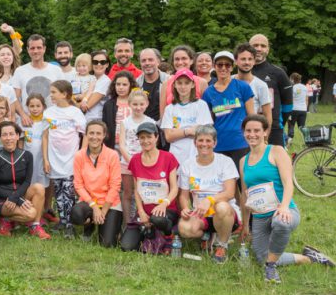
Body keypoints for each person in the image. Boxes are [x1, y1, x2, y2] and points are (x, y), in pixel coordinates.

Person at [239, 115, 333, 283]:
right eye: (248, 131)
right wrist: (246, 224)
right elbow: (245, 194)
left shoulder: (276, 151)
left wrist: (283, 207)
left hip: (284, 211)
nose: (252, 134)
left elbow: (288, 183)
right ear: (243, 133)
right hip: (260, 216)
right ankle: (310, 257)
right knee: (261, 257)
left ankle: (271, 269)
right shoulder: (243, 161)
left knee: (280, 222)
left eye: (257, 131)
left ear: (265, 132)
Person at [177, 125, 241, 264]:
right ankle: (208, 235)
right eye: (200, 140)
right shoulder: (187, 165)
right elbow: (183, 195)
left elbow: (230, 193)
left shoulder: (225, 161)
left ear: (215, 143)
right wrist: (185, 208)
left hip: (224, 213)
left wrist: (209, 200)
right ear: (195, 143)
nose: (204, 144)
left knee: (222, 207)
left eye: (208, 140)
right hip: (201, 214)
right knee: (184, 228)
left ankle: (221, 246)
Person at [120, 122, 180, 252]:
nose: (145, 140)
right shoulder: (135, 160)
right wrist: (140, 211)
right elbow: (137, 191)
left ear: (156, 137)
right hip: (145, 210)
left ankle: (169, 234)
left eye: (149, 137)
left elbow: (175, 188)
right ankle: (148, 233)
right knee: (126, 247)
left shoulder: (168, 157)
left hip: (166, 210)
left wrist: (164, 204)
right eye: (142, 137)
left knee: (156, 218)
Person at [0, 121, 51, 239]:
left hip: (19, 195)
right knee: (31, 213)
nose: (8, 138)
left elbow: (27, 182)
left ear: (17, 136)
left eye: (11, 134)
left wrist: (16, 198)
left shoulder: (27, 156)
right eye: (4, 135)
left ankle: (35, 226)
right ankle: (3, 219)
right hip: (2, 199)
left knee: (39, 187)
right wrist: (16, 200)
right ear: (0, 137)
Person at [42, 80, 87, 238]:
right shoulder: (48, 113)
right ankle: (62, 220)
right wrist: (46, 159)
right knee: (58, 191)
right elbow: (45, 136)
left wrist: (82, 153)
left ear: (65, 94)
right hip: (54, 159)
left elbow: (85, 133)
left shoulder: (75, 113)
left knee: (68, 192)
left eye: (54, 92)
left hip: (71, 159)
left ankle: (70, 224)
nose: (51, 95)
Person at [70, 120, 123, 247]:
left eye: (98, 133)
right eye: (91, 133)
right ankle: (90, 225)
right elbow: (78, 184)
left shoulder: (112, 155)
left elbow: (115, 185)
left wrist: (103, 211)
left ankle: (109, 225)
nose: (94, 137)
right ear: (86, 135)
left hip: (109, 203)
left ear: (104, 135)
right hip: (89, 202)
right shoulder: (79, 156)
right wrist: (94, 206)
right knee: (76, 215)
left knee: (107, 244)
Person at [201, 51, 255, 169]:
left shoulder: (243, 87)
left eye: (227, 65)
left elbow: (252, 117)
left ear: (232, 66)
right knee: (224, 183)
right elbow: (208, 122)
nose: (223, 68)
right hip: (219, 143)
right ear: (214, 66)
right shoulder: (208, 93)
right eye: (220, 65)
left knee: (243, 181)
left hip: (241, 142)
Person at [102, 71, 137, 222]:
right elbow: (106, 126)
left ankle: (132, 218)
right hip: (114, 147)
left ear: (131, 86)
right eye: (118, 84)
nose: (121, 87)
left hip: (134, 148)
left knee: (132, 187)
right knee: (117, 184)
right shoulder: (109, 104)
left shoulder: (136, 102)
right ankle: (116, 218)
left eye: (124, 84)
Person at [160, 69, 213, 165]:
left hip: (198, 156)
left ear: (192, 84)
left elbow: (205, 133)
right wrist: (187, 131)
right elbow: (168, 136)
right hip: (176, 158)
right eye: (179, 83)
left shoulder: (201, 105)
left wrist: (176, 132)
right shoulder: (170, 108)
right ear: (174, 85)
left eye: (186, 83)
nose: (183, 86)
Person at [250, 34, 293, 146]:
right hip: (247, 129)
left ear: (267, 50)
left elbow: (288, 105)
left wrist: (276, 121)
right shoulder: (240, 74)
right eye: (255, 45)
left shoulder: (278, 73)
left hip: (273, 129)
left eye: (263, 46)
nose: (259, 49)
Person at [12, 34, 63, 124]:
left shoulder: (56, 70)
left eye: (39, 47)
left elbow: (63, 96)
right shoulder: (20, 71)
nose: (35, 51)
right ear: (28, 50)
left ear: (44, 49)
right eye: (32, 48)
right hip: (29, 122)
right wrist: (23, 115)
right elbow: (14, 98)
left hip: (52, 121)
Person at [159, 45, 209, 117]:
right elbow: (163, 115)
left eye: (184, 58)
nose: (180, 62)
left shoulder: (201, 83)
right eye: (177, 59)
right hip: (172, 126)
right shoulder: (166, 83)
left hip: (196, 126)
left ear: (191, 61)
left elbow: (206, 112)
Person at [234, 43, 272, 133]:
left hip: (251, 133)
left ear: (254, 61)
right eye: (243, 59)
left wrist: (265, 136)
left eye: (250, 59)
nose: (247, 62)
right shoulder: (228, 81)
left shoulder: (261, 85)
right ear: (235, 61)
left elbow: (268, 115)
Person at [136, 48, 168, 121]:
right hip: (142, 127)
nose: (147, 63)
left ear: (158, 61)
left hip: (164, 126)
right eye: (143, 60)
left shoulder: (168, 81)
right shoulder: (135, 84)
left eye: (150, 60)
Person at [80, 50, 111, 121]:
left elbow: (87, 106)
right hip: (84, 119)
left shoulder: (105, 81)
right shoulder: (89, 78)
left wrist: (70, 103)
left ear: (107, 64)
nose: (99, 64)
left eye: (102, 62)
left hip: (96, 121)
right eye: (95, 62)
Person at [288, 73, 308, 142]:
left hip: (294, 109)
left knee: (291, 125)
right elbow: (306, 99)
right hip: (303, 109)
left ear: (293, 80)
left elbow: (291, 100)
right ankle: (307, 140)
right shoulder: (305, 87)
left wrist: (289, 111)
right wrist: (305, 108)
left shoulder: (293, 88)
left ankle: (289, 141)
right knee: (302, 127)